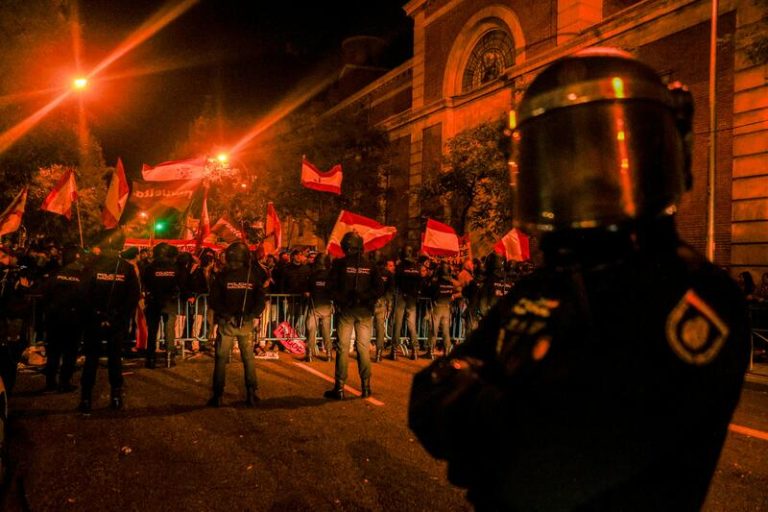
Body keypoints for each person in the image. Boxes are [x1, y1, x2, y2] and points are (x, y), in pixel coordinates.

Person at [408, 48, 750, 511]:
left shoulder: (693, 294)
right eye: (565, 154)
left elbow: (556, 458)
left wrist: (478, 406)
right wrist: (503, 413)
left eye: (601, 152)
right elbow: (426, 396)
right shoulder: (547, 284)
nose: (585, 176)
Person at [79, 230, 140, 411]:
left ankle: (86, 399)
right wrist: (117, 317)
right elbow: (133, 297)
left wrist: (96, 315)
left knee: (91, 358)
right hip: (115, 321)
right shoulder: (127, 268)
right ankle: (115, 397)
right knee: (115, 358)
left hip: (94, 320)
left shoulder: (92, 266)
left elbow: (82, 293)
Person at [207, 242, 267, 407]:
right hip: (245, 324)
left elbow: (213, 300)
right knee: (248, 358)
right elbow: (261, 300)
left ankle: (218, 395)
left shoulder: (222, 276)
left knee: (221, 358)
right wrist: (252, 315)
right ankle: (251, 392)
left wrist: (226, 315)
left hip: (227, 323)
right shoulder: (252, 275)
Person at [323, 232, 382, 400]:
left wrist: (344, 299)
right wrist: (364, 297)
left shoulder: (340, 264)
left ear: (346, 247)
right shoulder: (370, 265)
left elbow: (330, 287)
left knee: (343, 348)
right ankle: (366, 387)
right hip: (364, 312)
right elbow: (379, 289)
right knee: (363, 349)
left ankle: (339, 388)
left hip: (347, 311)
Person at [40, 244, 85, 393]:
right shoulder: (82, 275)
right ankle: (64, 382)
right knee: (70, 353)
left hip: (55, 318)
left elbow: (45, 295)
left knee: (53, 352)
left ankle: (51, 383)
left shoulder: (54, 274)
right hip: (74, 319)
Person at [142, 243, 183, 368]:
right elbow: (179, 284)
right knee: (169, 330)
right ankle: (169, 358)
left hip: (154, 301)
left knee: (152, 332)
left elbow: (145, 283)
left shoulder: (149, 268)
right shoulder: (175, 268)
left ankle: (151, 359)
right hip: (169, 303)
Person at [390, 245, 421, 360]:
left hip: (401, 297)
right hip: (412, 299)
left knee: (397, 324)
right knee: (412, 325)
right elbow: (419, 282)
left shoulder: (400, 266)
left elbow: (395, 282)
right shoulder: (417, 266)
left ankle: (393, 351)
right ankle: (415, 350)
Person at [304, 253, 333, 362]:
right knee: (326, 332)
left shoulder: (313, 275)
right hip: (326, 306)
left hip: (314, 306)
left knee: (311, 331)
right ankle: (329, 354)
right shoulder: (331, 276)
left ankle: (310, 354)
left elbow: (307, 292)